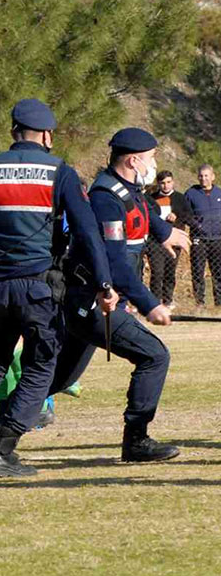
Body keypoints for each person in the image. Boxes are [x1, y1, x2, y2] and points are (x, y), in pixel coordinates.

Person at [0, 98, 118, 478]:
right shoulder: (59, 172)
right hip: (39, 290)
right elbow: (87, 233)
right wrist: (104, 283)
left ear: (14, 132)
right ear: (46, 135)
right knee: (40, 368)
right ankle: (2, 451)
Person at [44, 128, 190, 463]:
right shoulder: (105, 198)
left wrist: (164, 231)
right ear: (134, 160)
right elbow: (115, 264)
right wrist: (150, 304)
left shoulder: (125, 189)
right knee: (154, 356)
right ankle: (136, 440)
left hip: (90, 301)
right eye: (151, 158)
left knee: (57, 378)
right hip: (94, 301)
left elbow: (142, 208)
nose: (154, 164)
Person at [149, 170, 189, 306]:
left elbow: (189, 215)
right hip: (155, 241)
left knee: (170, 272)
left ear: (173, 182)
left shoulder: (180, 198)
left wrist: (177, 216)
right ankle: (155, 302)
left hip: (174, 240)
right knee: (157, 272)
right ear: (158, 184)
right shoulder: (151, 198)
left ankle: (168, 300)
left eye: (168, 182)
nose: (166, 185)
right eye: (162, 183)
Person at [184, 164, 221, 306]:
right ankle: (199, 303)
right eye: (201, 175)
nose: (203, 178)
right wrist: (197, 226)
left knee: (218, 271)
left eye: (206, 175)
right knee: (198, 271)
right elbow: (185, 214)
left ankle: (219, 303)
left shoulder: (219, 193)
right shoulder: (191, 193)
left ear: (213, 177)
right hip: (199, 239)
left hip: (217, 239)